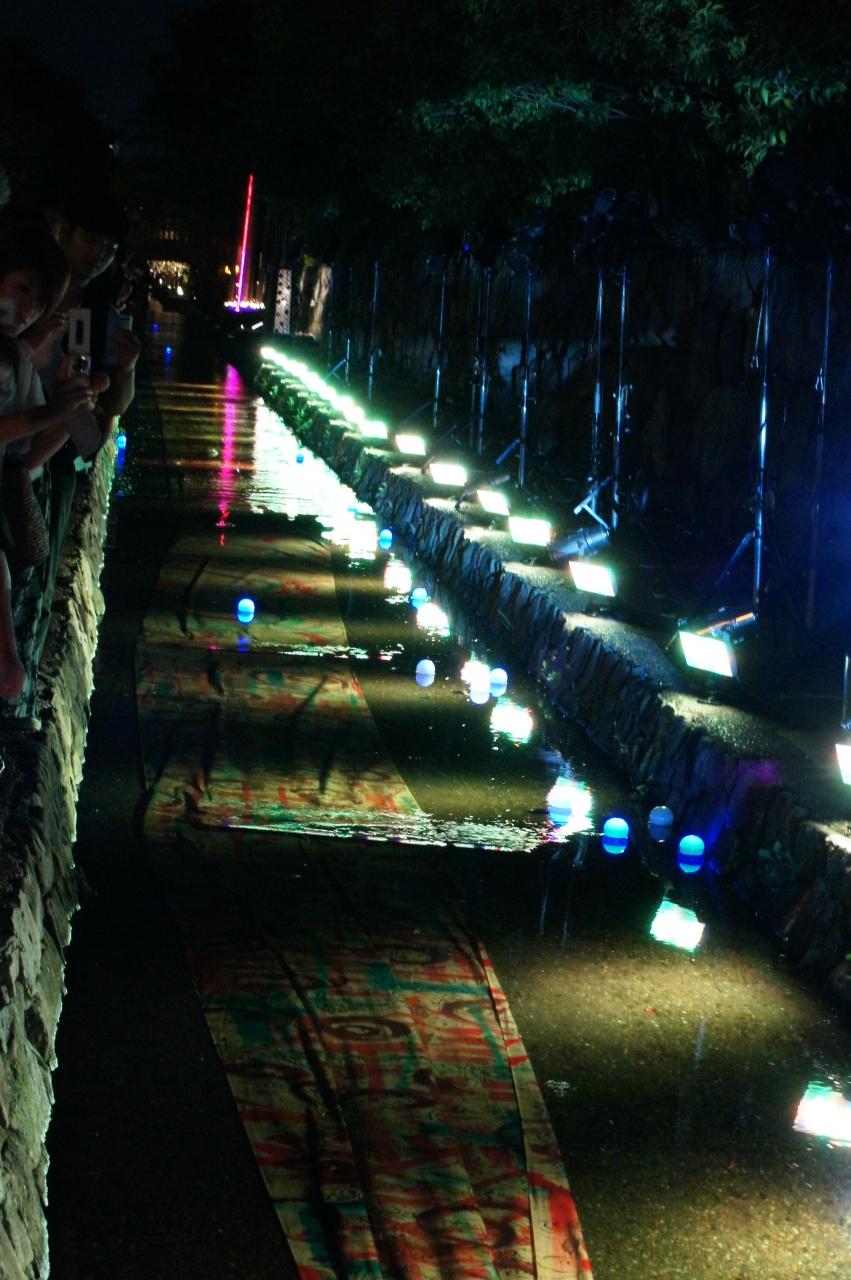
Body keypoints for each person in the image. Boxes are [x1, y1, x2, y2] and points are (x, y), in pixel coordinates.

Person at [0, 228, 99, 698]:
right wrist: (51, 412)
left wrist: (69, 407)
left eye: (38, 302)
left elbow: (26, 456)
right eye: (21, 289)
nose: (26, 309)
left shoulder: (18, 357)